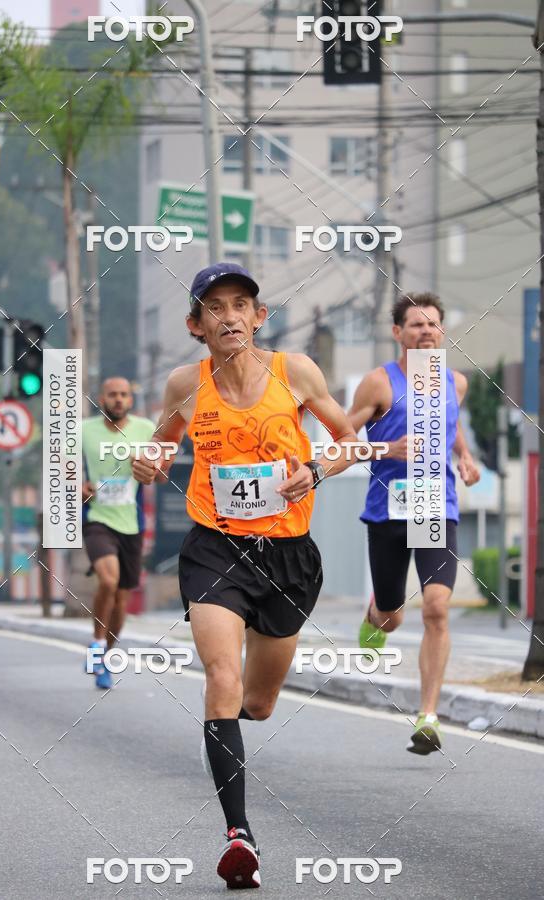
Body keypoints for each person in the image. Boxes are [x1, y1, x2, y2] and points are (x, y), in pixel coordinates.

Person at [132, 262, 361, 889]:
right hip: (215, 548)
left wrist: (314, 470)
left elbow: (348, 439)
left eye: (241, 305)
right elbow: (161, 442)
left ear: (259, 317)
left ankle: (242, 722)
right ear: (195, 325)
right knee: (221, 677)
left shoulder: (297, 373)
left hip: (288, 555)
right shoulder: (186, 382)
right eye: (214, 307)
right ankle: (239, 835)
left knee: (256, 702)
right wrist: (147, 461)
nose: (229, 316)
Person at [349, 292, 480, 755]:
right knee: (391, 616)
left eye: (433, 325)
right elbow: (342, 442)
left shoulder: (455, 383)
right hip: (388, 512)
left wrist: (464, 457)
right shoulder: (377, 384)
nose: (426, 331)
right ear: (398, 333)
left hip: (434, 508)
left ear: (443, 332)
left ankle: (428, 715)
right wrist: (386, 449)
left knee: (437, 608)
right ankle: (373, 615)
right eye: (416, 324)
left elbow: (453, 424)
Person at [81, 377, 154, 689]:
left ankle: (106, 658)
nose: (118, 400)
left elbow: (160, 474)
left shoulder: (146, 430)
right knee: (107, 580)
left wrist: (149, 469)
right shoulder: (83, 430)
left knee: (122, 599)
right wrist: (75, 485)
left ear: (130, 400)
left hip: (131, 522)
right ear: (102, 399)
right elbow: (58, 467)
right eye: (112, 395)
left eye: (124, 394)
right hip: (97, 517)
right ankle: (97, 643)